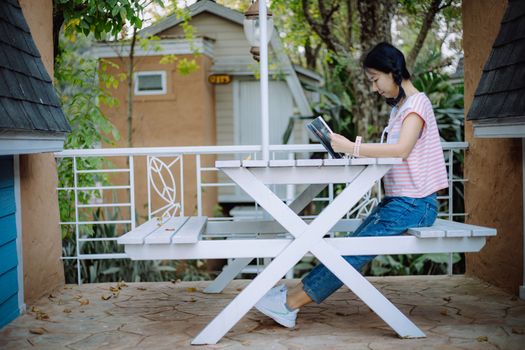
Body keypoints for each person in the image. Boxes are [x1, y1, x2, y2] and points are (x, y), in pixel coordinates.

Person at [254, 42, 448, 328]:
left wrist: (352, 147)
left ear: (392, 71)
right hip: (400, 202)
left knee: (353, 251)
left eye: (375, 80)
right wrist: (347, 148)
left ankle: (289, 304)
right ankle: (291, 297)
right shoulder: (401, 108)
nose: (374, 88)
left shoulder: (417, 104)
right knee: (348, 247)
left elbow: (402, 149)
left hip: (415, 205)